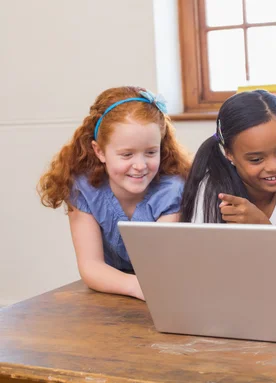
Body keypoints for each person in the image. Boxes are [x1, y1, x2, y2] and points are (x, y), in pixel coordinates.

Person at [38, 86, 190, 300]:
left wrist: (147, 287)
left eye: (150, 152)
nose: (140, 165)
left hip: (170, 291)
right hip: (119, 294)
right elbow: (91, 267)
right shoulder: (84, 190)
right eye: (127, 154)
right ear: (99, 151)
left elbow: (158, 267)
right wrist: (137, 287)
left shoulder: (172, 190)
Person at [180, 90, 276, 225]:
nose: (274, 166)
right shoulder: (213, 190)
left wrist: (260, 223)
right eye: (256, 159)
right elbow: (202, 245)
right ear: (229, 154)